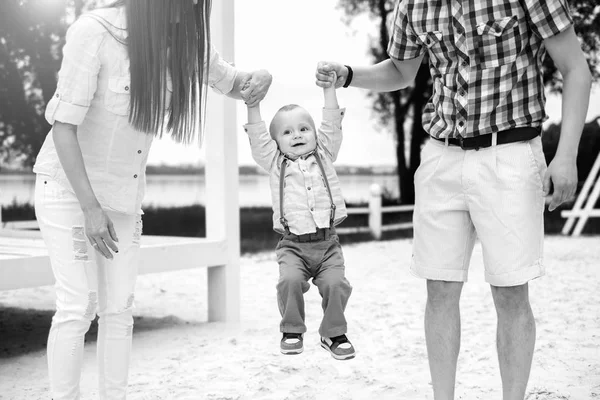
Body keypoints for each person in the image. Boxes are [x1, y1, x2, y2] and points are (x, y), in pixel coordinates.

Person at [315, 0, 591, 398]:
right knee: (439, 290)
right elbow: (400, 70)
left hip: (509, 154)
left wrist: (566, 156)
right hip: (442, 156)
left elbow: (575, 69)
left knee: (511, 292)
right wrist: (348, 75)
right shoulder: (413, 4)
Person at [33, 1, 272, 398]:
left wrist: (261, 76)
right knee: (78, 307)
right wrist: (91, 209)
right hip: (68, 190)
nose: (193, 6)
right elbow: (63, 130)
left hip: (123, 196)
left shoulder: (185, 42)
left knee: (119, 309)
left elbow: (232, 81)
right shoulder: (94, 32)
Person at [242, 72, 355, 360]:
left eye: (304, 129)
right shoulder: (274, 162)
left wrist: (329, 91)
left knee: (336, 285)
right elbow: (257, 137)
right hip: (293, 245)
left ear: (315, 135)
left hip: (328, 244)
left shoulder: (325, 153)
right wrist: (252, 105)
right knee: (289, 281)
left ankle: (333, 334)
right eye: (288, 132)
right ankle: (292, 329)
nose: (297, 136)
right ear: (276, 141)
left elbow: (331, 123)